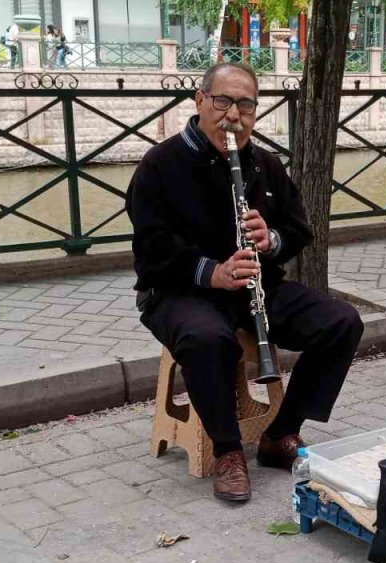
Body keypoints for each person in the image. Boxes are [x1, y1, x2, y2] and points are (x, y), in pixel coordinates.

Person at [126, 63, 364, 503]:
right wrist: (212, 272)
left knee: (341, 322)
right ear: (199, 101)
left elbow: (298, 229)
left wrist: (269, 239)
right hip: (180, 291)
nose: (233, 115)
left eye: (245, 104)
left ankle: (281, 433)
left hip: (254, 288)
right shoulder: (160, 165)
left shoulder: (264, 164)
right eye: (223, 101)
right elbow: (151, 248)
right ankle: (228, 450)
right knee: (208, 338)